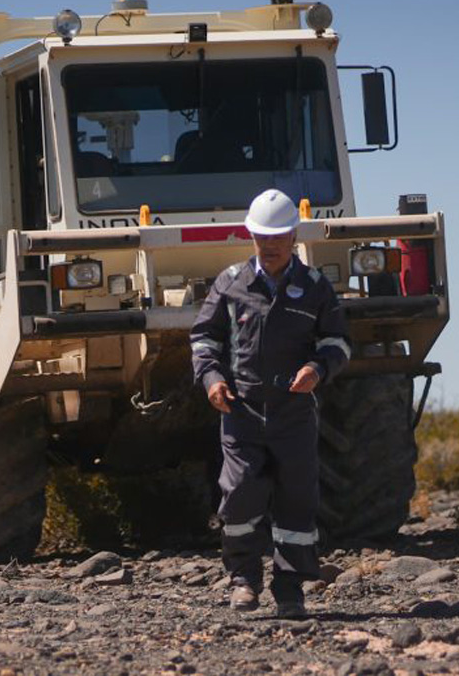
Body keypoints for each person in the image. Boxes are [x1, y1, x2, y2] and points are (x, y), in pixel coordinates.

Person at [189, 188, 352, 618]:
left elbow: (338, 343)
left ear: (294, 234)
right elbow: (204, 340)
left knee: (296, 499)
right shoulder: (230, 283)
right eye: (263, 235)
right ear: (251, 235)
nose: (272, 243)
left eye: (280, 235)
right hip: (242, 410)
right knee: (240, 495)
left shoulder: (315, 287)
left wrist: (319, 369)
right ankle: (243, 580)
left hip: (294, 412)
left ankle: (290, 589)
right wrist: (212, 380)